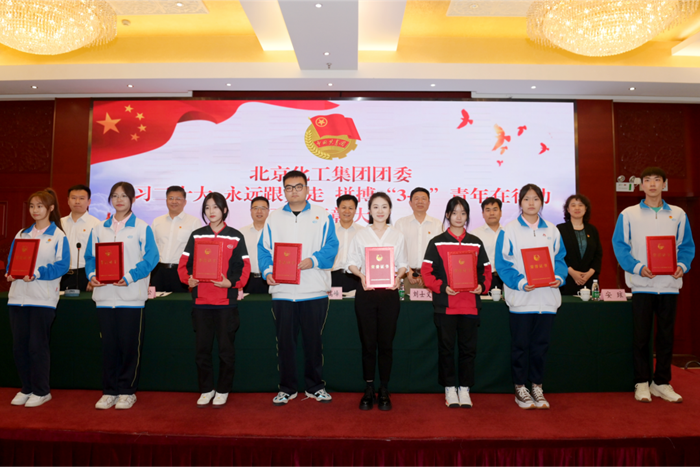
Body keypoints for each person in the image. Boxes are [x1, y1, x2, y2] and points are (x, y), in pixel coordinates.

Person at [612, 167, 694, 404]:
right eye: (647, 180)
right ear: (641, 185)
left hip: (669, 284)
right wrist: (637, 267)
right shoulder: (628, 214)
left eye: (657, 180)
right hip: (642, 285)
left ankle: (661, 382)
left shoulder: (678, 214)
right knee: (641, 337)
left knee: (666, 337)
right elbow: (620, 246)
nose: (652, 184)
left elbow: (686, 246)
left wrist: (682, 265)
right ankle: (641, 382)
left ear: (664, 184)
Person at [258, 170, 339, 406]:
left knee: (313, 343)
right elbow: (264, 249)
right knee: (285, 344)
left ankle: (315, 386)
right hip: (283, 292)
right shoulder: (274, 218)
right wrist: (268, 272)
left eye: (298, 186)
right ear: (284, 190)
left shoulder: (322, 215)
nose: (294, 191)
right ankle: (287, 388)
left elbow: (332, 245)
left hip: (313, 290)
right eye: (289, 187)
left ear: (307, 189)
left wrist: (313, 260)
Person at [85, 181, 159, 410]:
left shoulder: (142, 227)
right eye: (115, 195)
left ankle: (127, 391)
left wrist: (129, 276)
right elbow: (90, 258)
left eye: (124, 196)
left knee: (129, 347)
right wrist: (92, 275)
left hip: (131, 297)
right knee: (108, 347)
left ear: (133, 200)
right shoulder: (99, 228)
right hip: (104, 297)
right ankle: (109, 391)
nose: (119, 200)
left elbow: (151, 258)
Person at [495, 183, 567, 410]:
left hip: (547, 299)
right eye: (526, 199)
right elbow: (502, 263)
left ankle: (537, 386)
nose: (531, 203)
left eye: (535, 199)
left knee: (540, 347)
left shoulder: (553, 230)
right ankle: (520, 388)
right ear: (520, 203)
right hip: (522, 300)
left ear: (542, 202)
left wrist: (559, 277)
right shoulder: (509, 230)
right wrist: (520, 282)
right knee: (520, 346)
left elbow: (560, 259)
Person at [178, 192, 251, 408]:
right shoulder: (196, 235)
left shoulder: (235, 236)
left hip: (225, 303)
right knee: (202, 350)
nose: (211, 211)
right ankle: (206, 389)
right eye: (207, 207)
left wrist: (232, 283)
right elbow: (184, 265)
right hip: (201, 302)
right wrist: (189, 279)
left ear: (224, 210)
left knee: (226, 350)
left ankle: (223, 389)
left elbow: (244, 267)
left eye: (216, 207)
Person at [422, 197, 491, 409]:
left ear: (467, 216)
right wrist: (442, 287)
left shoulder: (476, 242)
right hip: (446, 306)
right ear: (447, 215)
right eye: (454, 213)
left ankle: (465, 388)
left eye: (463, 213)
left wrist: (482, 286)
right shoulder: (436, 242)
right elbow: (427, 273)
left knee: (468, 350)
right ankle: (450, 388)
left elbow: (486, 271)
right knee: (446, 349)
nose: (459, 217)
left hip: (470, 305)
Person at [6, 188, 69, 408]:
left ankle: (42, 391)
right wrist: (10, 272)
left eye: (40, 206)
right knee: (19, 347)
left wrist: (38, 273)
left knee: (37, 346)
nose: (35, 210)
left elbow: (62, 265)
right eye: (32, 206)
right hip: (17, 297)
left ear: (50, 208)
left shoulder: (58, 235)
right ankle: (26, 388)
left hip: (42, 299)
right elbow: (12, 260)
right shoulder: (22, 234)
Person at [347, 192, 408, 411]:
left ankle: (384, 388)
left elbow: (403, 263)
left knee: (386, 343)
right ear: (369, 210)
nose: (380, 211)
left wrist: (399, 277)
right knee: (368, 343)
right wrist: (361, 275)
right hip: (366, 293)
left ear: (390, 210)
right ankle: (368, 387)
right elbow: (351, 262)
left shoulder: (397, 235)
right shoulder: (361, 235)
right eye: (375, 207)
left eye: (384, 207)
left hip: (389, 294)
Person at [151, 186, 200, 292]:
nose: (174, 201)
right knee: (157, 301)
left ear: (185, 202)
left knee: (180, 301)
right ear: (166, 200)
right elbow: (151, 247)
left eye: (178, 198)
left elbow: (197, 251)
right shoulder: (157, 221)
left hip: (181, 272)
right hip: (158, 271)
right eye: (171, 198)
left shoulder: (193, 222)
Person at [556, 194, 603, 295]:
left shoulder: (592, 230)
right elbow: (557, 254)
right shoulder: (560, 229)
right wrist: (572, 273)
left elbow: (598, 255)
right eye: (573, 205)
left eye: (580, 205)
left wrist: (589, 274)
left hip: (589, 279)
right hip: (567, 279)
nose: (577, 208)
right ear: (568, 209)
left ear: (586, 209)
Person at [60, 184, 102, 292]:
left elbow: (100, 254)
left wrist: (94, 276)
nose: (77, 201)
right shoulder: (59, 223)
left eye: (82, 198)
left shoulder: (97, 224)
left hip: (85, 274)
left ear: (89, 202)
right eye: (74, 198)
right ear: (68, 201)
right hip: (61, 274)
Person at [470, 197, 504, 291]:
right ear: (483, 214)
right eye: (488, 210)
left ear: (501, 212)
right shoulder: (475, 234)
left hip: (505, 277)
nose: (492, 213)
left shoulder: (508, 233)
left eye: (495, 210)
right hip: (484, 278)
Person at [331, 194, 364, 293]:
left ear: (355, 210)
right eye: (344, 207)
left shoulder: (363, 232)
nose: (347, 211)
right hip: (333, 277)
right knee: (334, 303)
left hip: (356, 277)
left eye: (350, 208)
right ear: (337, 209)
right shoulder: (330, 231)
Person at [240, 196, 270, 294]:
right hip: (247, 280)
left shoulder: (274, 233)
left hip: (269, 279)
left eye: (263, 208)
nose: (259, 211)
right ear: (251, 211)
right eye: (256, 208)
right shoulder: (242, 233)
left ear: (268, 211)